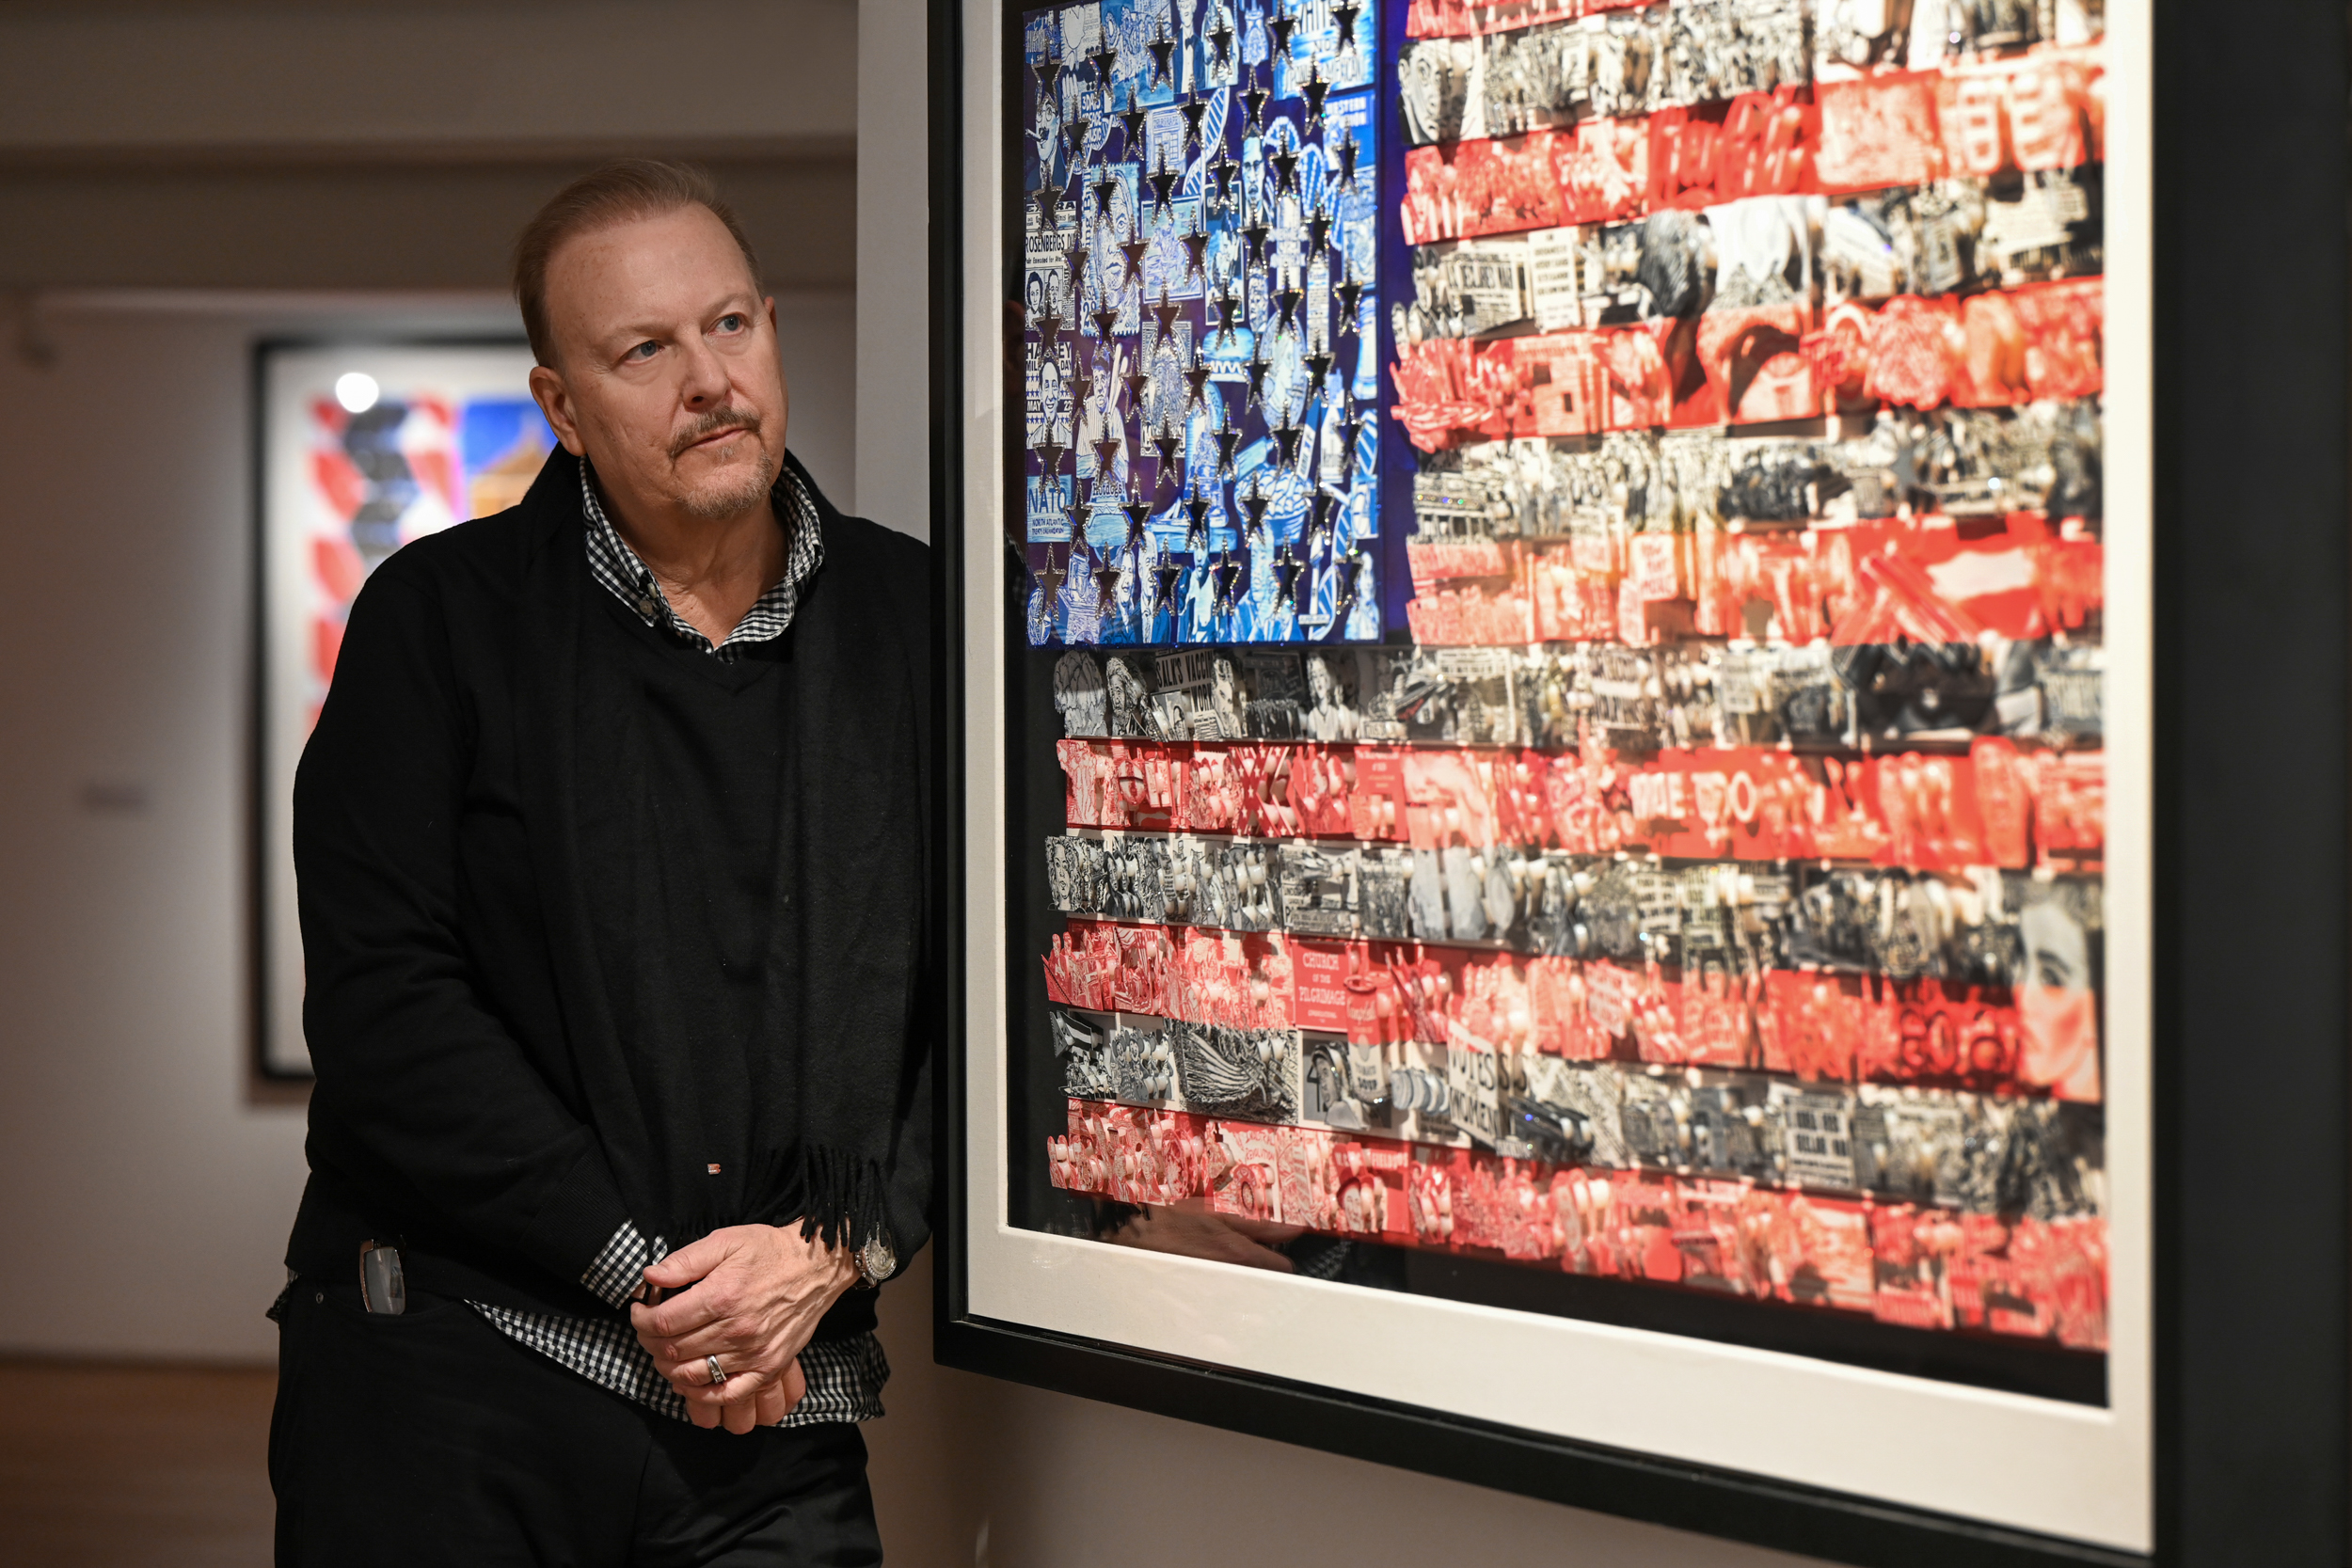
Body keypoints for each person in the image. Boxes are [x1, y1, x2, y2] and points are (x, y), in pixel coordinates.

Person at [268, 160, 933, 1565]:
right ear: (562, 407)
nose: (709, 380)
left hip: (776, 1406)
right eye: (646, 349)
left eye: (732, 324)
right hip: (455, 1386)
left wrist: (833, 1250)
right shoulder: (438, 626)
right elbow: (388, 1006)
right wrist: (657, 1284)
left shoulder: (912, 622)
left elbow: (982, 996)